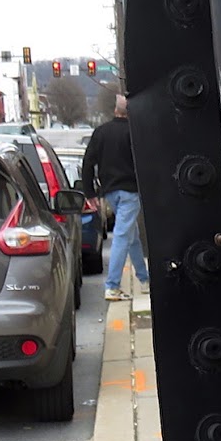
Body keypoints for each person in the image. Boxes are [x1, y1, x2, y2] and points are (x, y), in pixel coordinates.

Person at [81, 95, 150, 300]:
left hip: (109, 191)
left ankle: (144, 279)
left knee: (131, 234)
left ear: (115, 110)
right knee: (122, 235)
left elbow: (88, 163)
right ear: (130, 112)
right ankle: (112, 286)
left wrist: (90, 193)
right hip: (130, 191)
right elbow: (145, 162)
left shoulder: (100, 132)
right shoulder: (135, 132)